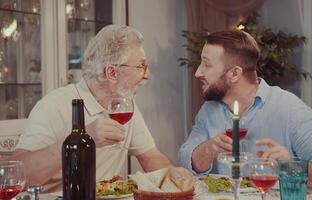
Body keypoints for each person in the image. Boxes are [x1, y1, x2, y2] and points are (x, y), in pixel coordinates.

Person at [10, 25, 192, 192]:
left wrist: (172, 172)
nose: (147, 76)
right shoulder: (54, 105)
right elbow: (18, 175)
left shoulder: (125, 106)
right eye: (140, 67)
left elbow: (150, 157)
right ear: (111, 73)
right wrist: (80, 140)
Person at [178, 30, 312, 190]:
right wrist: (209, 149)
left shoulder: (287, 108)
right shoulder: (210, 110)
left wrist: (290, 167)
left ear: (234, 74)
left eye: (207, 65)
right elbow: (184, 162)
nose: (198, 73)